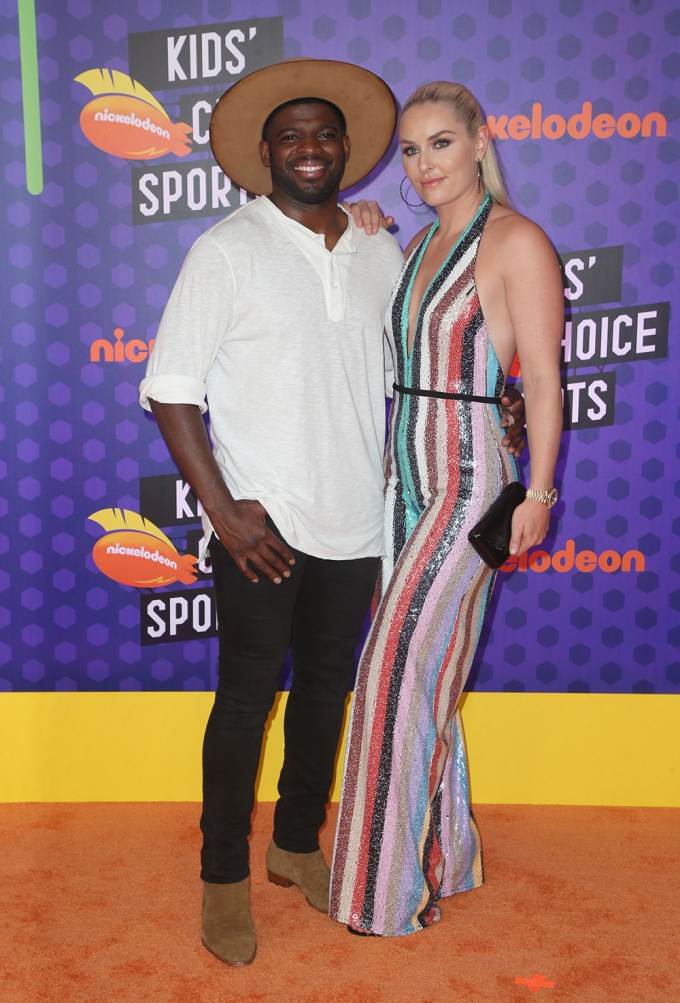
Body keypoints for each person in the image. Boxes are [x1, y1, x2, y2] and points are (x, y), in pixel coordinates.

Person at [139, 61, 525, 967]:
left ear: (347, 149)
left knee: (325, 692)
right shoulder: (227, 248)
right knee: (244, 702)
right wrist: (225, 511)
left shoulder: (382, 249)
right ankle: (223, 878)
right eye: (291, 136)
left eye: (323, 134)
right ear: (266, 152)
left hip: (361, 516)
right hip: (264, 525)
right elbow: (170, 388)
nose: (308, 148)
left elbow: (426, 362)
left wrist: (496, 403)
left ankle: (295, 844)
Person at [330, 81, 564, 938]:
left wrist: (539, 490)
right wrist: (361, 223)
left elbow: (544, 380)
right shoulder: (417, 242)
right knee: (425, 669)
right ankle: (448, 857)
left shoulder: (517, 241)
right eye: (411, 149)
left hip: (470, 481)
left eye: (440, 143)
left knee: (392, 671)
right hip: (403, 479)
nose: (424, 163)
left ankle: (382, 895)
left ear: (479, 143)